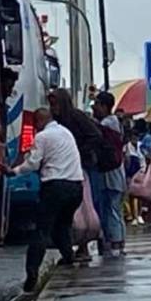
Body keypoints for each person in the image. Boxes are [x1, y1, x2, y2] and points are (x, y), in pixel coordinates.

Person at [7, 109, 83, 292]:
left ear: (39, 121)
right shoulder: (66, 133)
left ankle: (32, 272)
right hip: (76, 186)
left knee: (42, 230)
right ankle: (68, 256)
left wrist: (14, 171)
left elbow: (33, 163)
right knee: (63, 224)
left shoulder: (42, 137)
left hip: (55, 186)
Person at [48, 88, 104, 260]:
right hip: (67, 168)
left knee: (84, 207)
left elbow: (96, 135)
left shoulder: (75, 117)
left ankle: (83, 245)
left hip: (81, 167)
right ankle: (76, 246)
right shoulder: (57, 121)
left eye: (55, 103)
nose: (53, 107)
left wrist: (78, 151)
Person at [92, 93, 127, 257]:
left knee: (111, 208)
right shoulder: (114, 123)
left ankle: (115, 242)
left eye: (97, 104)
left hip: (111, 174)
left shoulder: (107, 123)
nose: (94, 108)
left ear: (105, 106)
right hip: (114, 173)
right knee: (113, 208)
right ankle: (116, 241)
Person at [123, 132, 144, 225]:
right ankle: (132, 215)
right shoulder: (126, 147)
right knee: (131, 195)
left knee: (140, 194)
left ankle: (139, 215)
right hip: (130, 174)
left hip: (141, 172)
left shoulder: (141, 146)